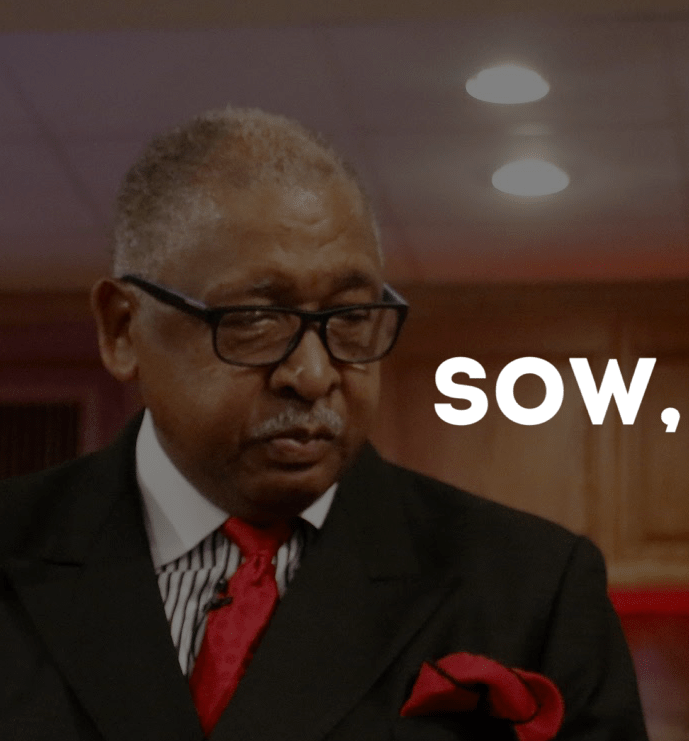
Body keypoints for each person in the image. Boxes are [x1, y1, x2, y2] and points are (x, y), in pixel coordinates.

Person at [0, 107, 649, 740]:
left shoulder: (531, 587)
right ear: (123, 328)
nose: (313, 375)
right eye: (255, 320)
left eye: (351, 316)